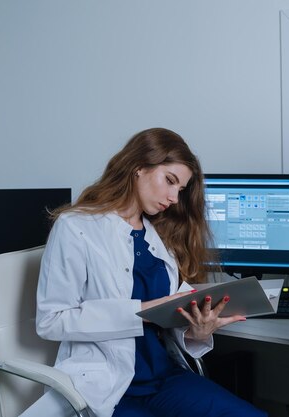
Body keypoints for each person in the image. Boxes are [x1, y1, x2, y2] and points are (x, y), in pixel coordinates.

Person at [31, 128, 267, 417]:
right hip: (108, 387)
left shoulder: (159, 237)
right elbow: (50, 321)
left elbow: (167, 324)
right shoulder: (76, 227)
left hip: (163, 379)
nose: (173, 197)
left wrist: (198, 331)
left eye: (180, 190)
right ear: (139, 167)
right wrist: (140, 310)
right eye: (169, 181)